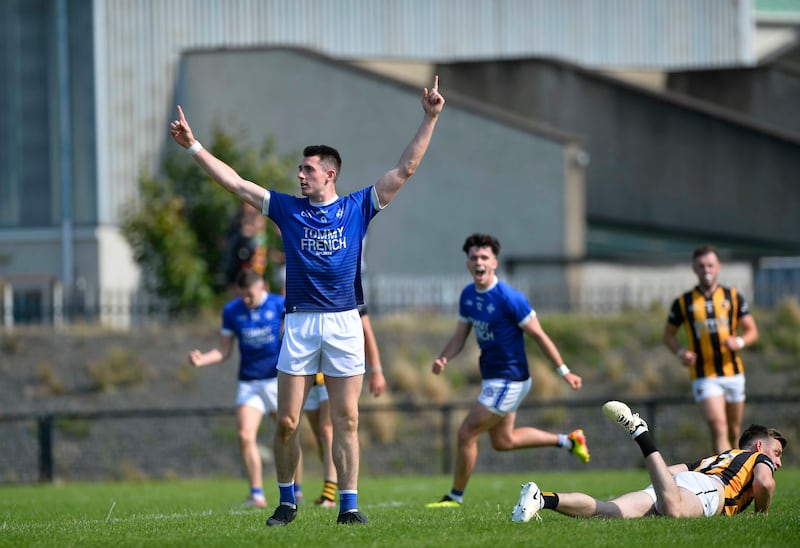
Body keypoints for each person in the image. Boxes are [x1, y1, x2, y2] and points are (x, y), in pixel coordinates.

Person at [170, 76, 445, 526]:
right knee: (287, 423)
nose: (300, 175)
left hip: (344, 323)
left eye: (308, 169)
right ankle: (286, 502)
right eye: (300, 169)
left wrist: (430, 117)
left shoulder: (358, 207)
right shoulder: (287, 209)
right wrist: (194, 147)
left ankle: (349, 507)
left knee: (347, 420)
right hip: (299, 324)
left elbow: (405, 169)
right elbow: (236, 184)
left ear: (329, 174)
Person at [426, 233, 590, 509]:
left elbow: (539, 335)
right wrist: (444, 357)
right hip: (493, 378)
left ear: (495, 263)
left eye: (484, 257)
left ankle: (454, 497)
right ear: (467, 263)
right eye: (474, 257)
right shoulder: (468, 296)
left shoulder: (510, 298)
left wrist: (564, 371)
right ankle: (570, 441)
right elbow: (460, 336)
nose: (479, 262)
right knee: (504, 440)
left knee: (466, 433)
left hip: (509, 378)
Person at [512, 400, 786, 522]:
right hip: (709, 490)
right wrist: (760, 516)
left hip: (682, 483)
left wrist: (661, 487)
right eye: (777, 452)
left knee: (608, 511)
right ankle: (641, 434)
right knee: (674, 512)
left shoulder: (719, 458)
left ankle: (542, 498)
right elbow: (764, 484)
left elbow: (671, 471)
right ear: (760, 445)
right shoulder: (759, 458)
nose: (778, 462)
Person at [187, 269, 284, 508]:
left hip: (277, 380)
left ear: (262, 288)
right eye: (243, 295)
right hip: (249, 383)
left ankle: (295, 490)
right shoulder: (232, 310)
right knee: (244, 435)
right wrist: (202, 359)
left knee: (287, 434)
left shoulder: (279, 305)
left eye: (250, 295)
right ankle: (257, 494)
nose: (246, 300)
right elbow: (224, 350)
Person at [662, 245, 759, 453]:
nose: (706, 270)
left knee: (734, 430)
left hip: (733, 372)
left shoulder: (733, 297)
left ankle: (737, 467)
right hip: (704, 375)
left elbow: (752, 330)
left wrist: (739, 342)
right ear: (694, 269)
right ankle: (725, 471)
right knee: (718, 426)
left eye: (710, 265)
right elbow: (668, 335)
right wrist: (681, 352)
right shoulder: (684, 302)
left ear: (718, 267)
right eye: (701, 266)